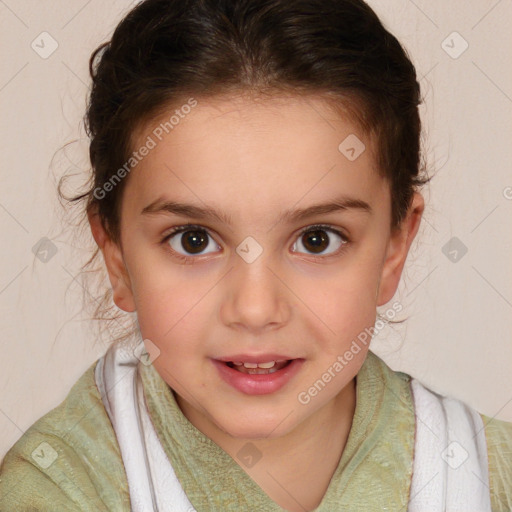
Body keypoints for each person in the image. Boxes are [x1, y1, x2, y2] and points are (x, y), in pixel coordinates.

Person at [0, 0, 510, 510]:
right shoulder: (55, 490)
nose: (255, 309)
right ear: (115, 254)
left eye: (317, 239)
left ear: (394, 247)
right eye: (193, 240)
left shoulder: (489, 477)